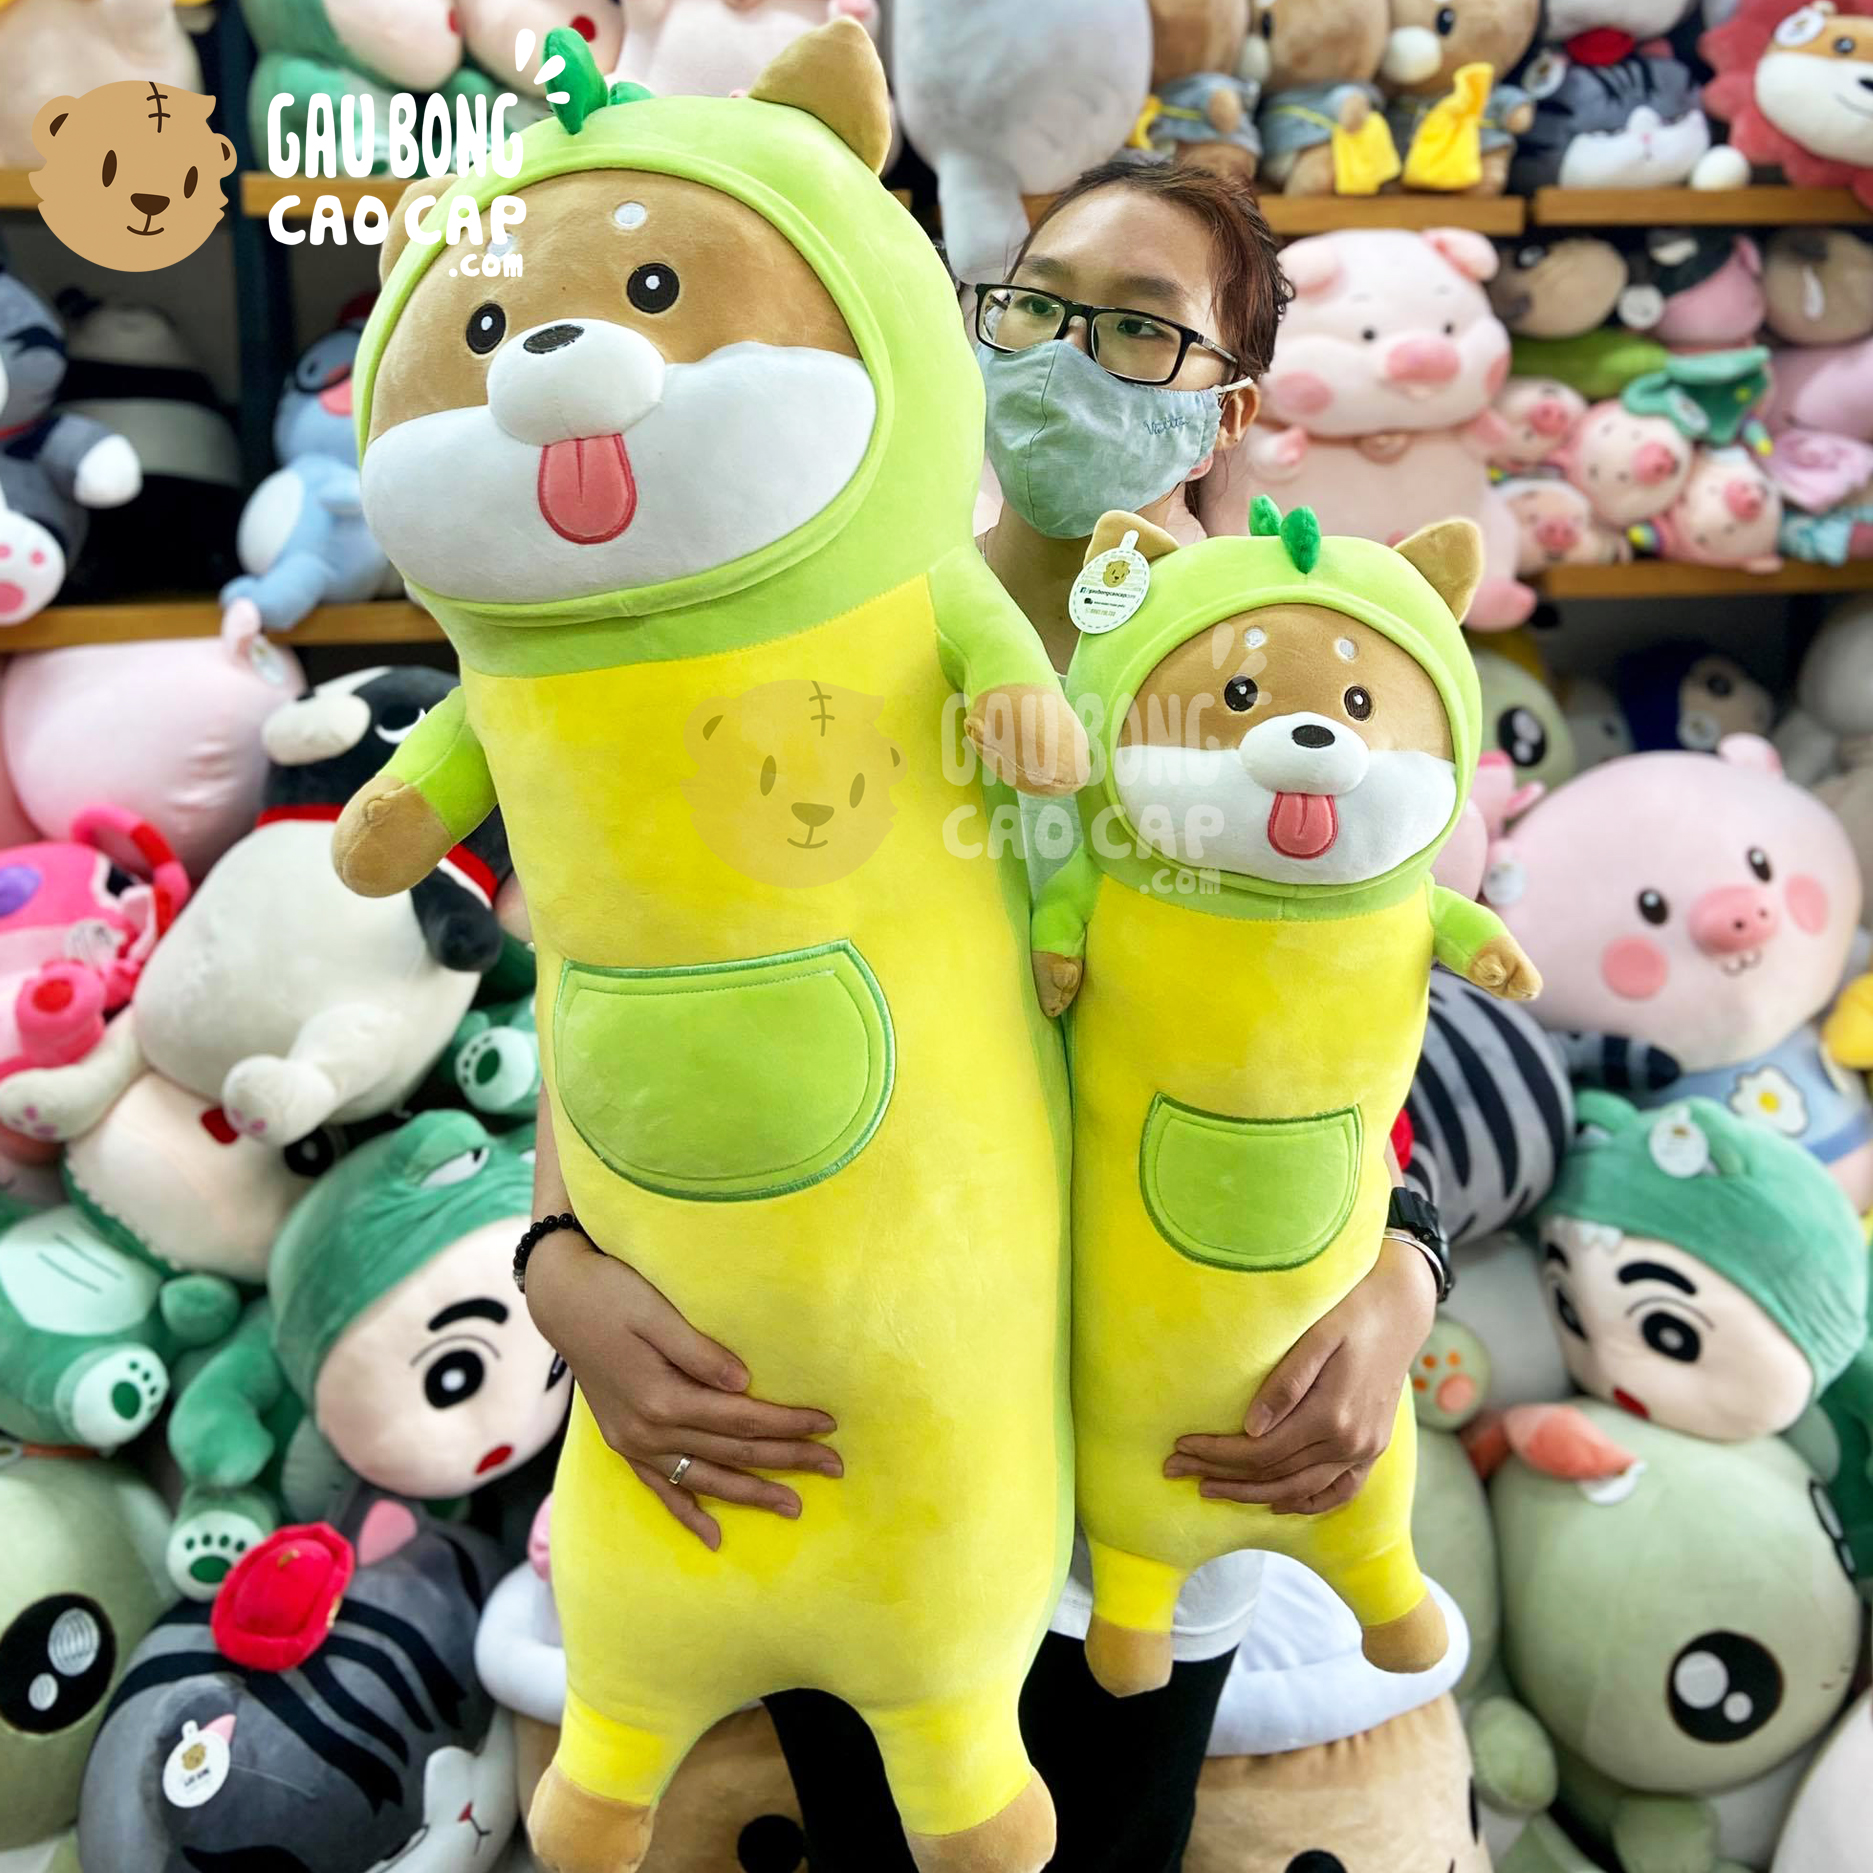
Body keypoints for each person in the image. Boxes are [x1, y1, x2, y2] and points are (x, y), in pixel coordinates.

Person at [523, 158, 1443, 1872]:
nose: (1065, 352)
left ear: (1231, 404)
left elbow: (1372, 1002)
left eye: (1140, 326)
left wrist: (1405, 1276)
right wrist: (556, 1256)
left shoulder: (1295, 664)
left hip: (1163, 1440)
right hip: (856, 1409)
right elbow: (630, 939)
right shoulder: (828, 614)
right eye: (1033, 303)